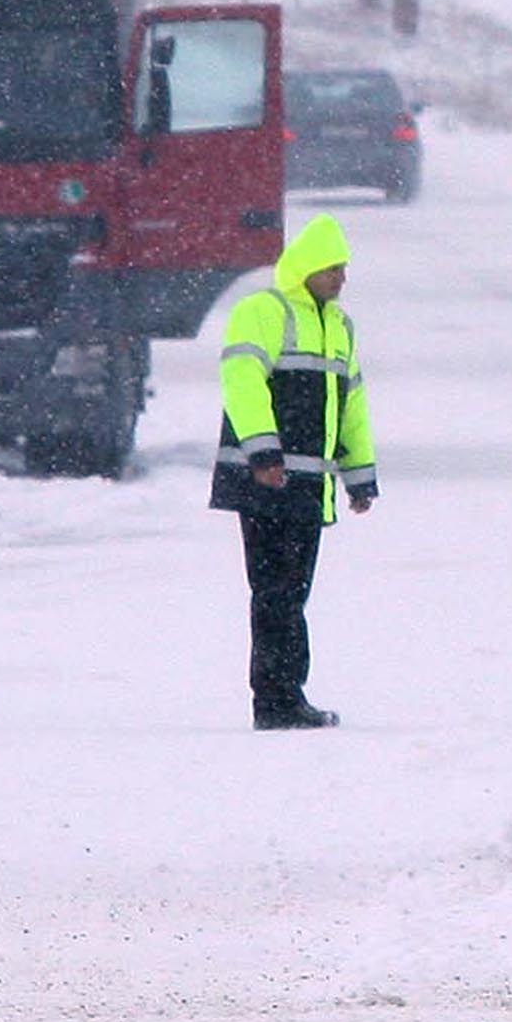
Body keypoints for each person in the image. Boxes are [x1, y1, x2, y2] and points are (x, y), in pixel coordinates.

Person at [211, 214, 377, 730]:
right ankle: (276, 699)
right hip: (263, 482)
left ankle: (285, 695)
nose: (341, 278)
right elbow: (241, 382)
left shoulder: (339, 327)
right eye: (332, 269)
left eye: (343, 269)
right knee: (275, 591)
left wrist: (359, 475)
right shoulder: (262, 312)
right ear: (306, 269)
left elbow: (351, 405)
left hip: (306, 486)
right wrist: (263, 454)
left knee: (291, 592)